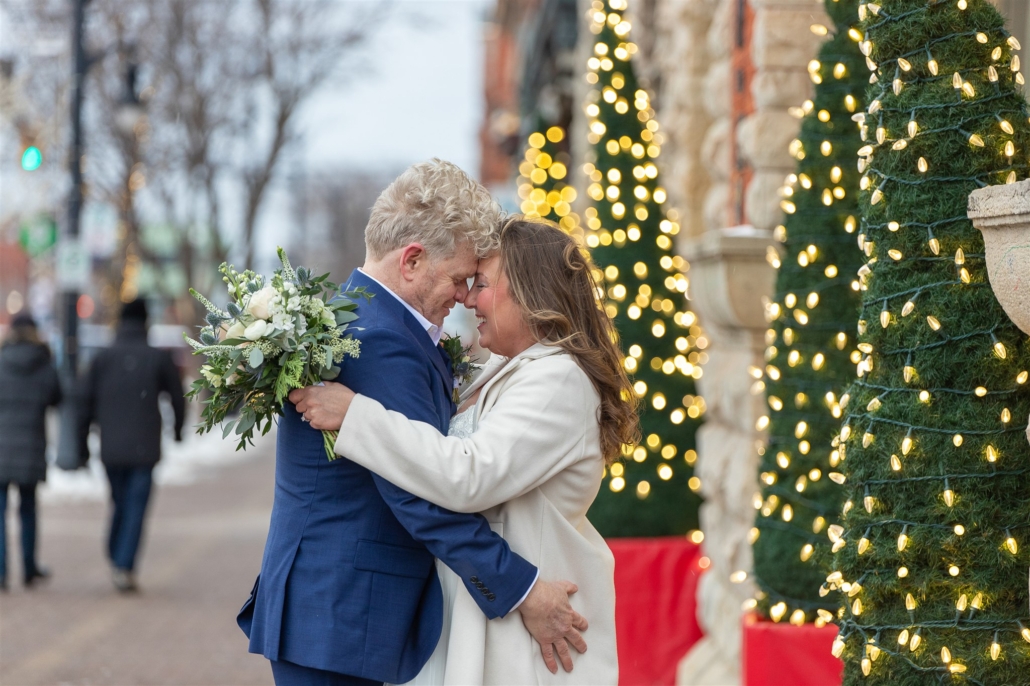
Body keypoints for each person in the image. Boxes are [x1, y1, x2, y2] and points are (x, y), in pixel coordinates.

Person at [238, 161, 588, 686]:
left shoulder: (359, 317)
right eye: (458, 278)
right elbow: (417, 491)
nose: (464, 296)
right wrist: (519, 588)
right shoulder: (381, 339)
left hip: (332, 609)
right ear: (412, 260)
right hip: (346, 615)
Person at [292, 217, 638, 684]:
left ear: (532, 292)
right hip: (488, 625)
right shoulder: (512, 367)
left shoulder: (558, 379)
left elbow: (469, 476)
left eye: (483, 284)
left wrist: (356, 415)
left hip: (527, 649)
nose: (469, 299)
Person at [79, 298, 185, 593]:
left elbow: (83, 403)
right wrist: (177, 430)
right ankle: (123, 563)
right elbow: (177, 396)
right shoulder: (157, 358)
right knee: (135, 506)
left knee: (120, 502)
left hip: (111, 446)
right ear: (145, 322)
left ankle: (116, 553)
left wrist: (81, 443)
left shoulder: (103, 358)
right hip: (145, 447)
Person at [0, 313, 63, 591]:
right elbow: (57, 397)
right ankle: (28, 567)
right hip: (32, 444)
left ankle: (1, 572)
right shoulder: (44, 362)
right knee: (28, 508)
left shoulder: (0, 360)